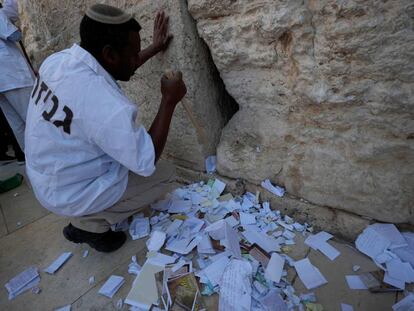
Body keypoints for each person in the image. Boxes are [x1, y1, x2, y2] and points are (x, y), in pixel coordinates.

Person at [25, 4, 187, 252]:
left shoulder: (58, 62)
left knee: (119, 154)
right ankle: (90, 224)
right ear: (110, 54)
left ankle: (86, 213)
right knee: (164, 175)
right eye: (133, 53)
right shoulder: (105, 106)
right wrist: (169, 100)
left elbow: (115, 69)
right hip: (67, 193)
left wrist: (154, 48)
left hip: (46, 179)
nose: (136, 58)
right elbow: (147, 160)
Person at [0, 0, 35, 154]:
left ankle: (32, 162)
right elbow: (13, 35)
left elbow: (10, 13)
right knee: (34, 119)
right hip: (13, 76)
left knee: (18, 126)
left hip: (3, 82)